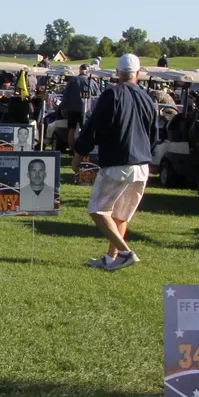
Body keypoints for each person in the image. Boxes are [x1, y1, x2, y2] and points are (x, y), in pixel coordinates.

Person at [74, 54, 157, 271]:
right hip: (142, 166)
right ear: (138, 74)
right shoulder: (148, 98)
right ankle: (111, 259)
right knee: (120, 215)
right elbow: (154, 134)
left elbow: (94, 125)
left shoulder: (112, 93)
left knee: (98, 210)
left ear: (117, 74)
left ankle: (125, 252)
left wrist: (79, 153)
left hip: (118, 163)